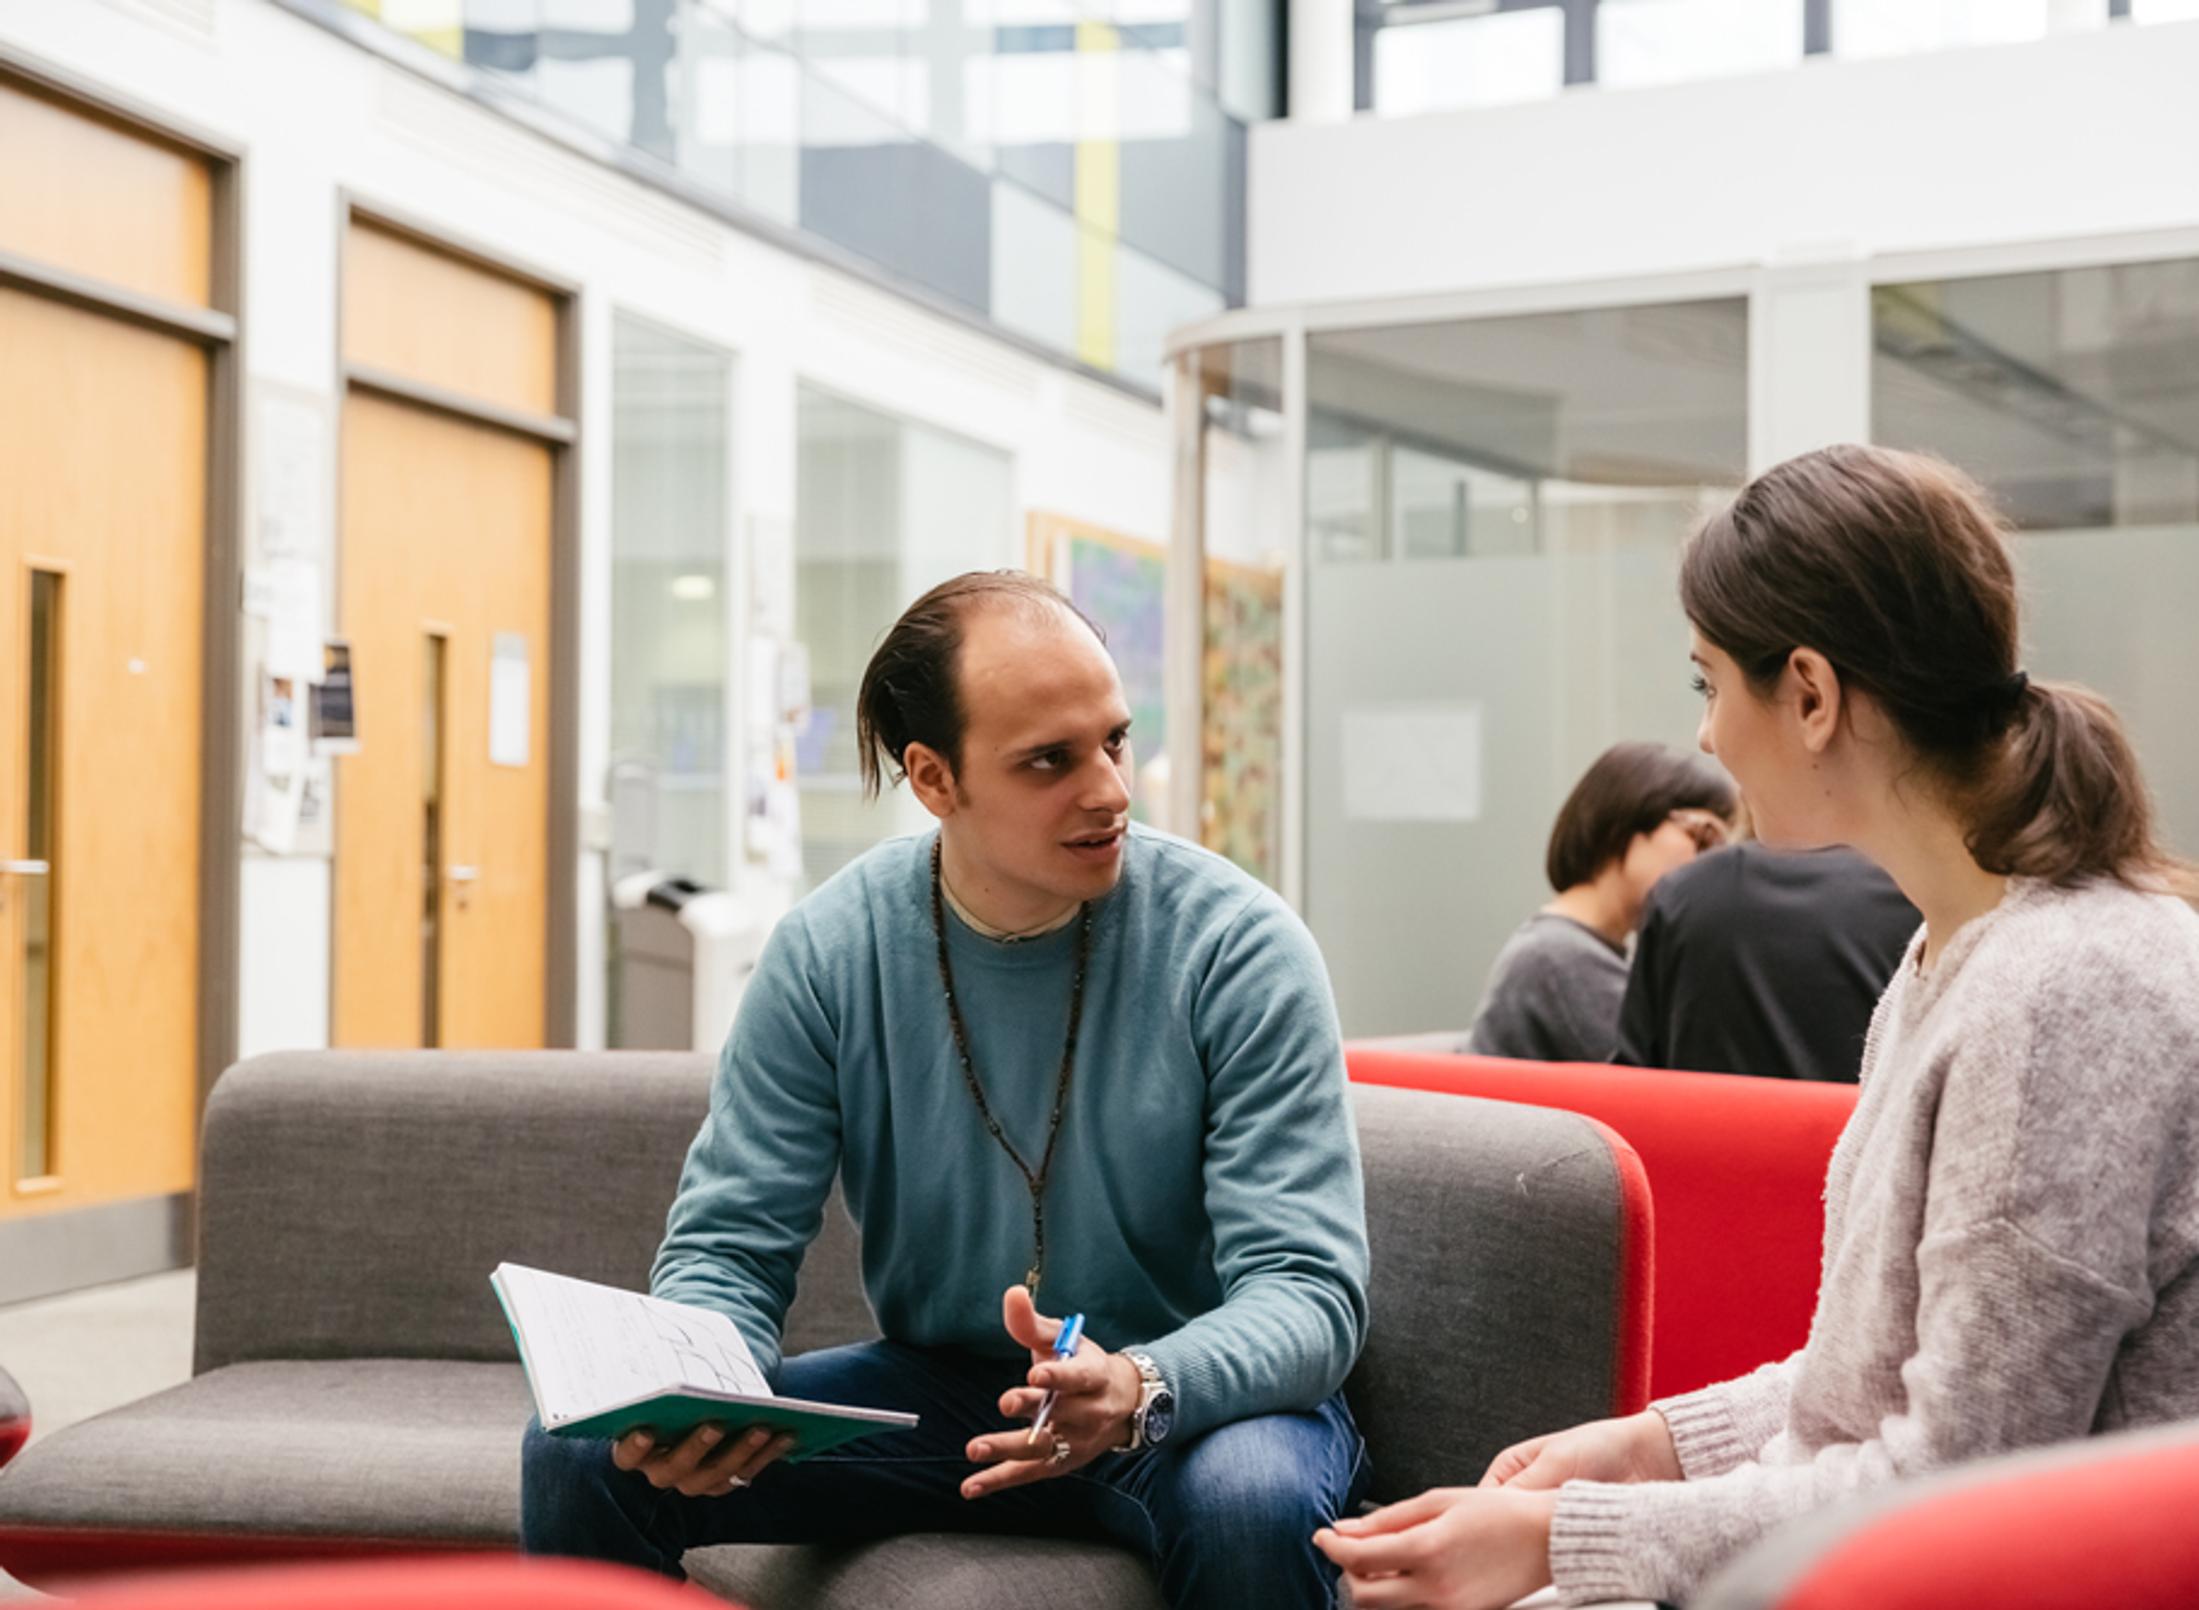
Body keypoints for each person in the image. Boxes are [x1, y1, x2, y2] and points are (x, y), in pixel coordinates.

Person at [1316, 444, 2199, 1609]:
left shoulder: (2064, 991)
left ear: (1812, 694)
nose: (1709, 739)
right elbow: (1869, 1386)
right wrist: (1646, 1446)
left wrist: (1560, 1540)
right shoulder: (1955, 953)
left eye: (1708, 683)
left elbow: (1954, 1481)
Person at [522, 571, 1371, 1610]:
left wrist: (1139, 1383)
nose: (1109, 789)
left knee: (1249, 1505)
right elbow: (730, 1247)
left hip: (1193, 1399)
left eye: (1114, 741)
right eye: (1050, 760)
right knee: (582, 1452)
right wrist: (698, 1392)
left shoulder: (1239, 947)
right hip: (945, 1394)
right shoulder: (830, 950)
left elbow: (1308, 1289)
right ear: (934, 778)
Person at [1464, 742, 1735, 1063]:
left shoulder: (1574, 950)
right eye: (1703, 837)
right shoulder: (1555, 958)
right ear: (1628, 817)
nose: (1712, 863)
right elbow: (1667, 1079)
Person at [1613, 840, 1918, 1082]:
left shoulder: (1682, 892)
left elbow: (1633, 1072)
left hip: (1701, 1137)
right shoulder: (1913, 897)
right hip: (1857, 1138)